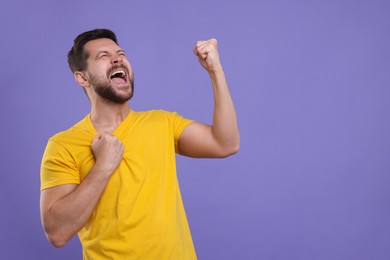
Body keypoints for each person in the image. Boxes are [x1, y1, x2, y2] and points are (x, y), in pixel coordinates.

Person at [40, 28, 239, 259]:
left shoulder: (162, 123)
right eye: (103, 56)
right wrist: (103, 167)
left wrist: (216, 71)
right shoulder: (63, 145)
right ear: (82, 77)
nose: (117, 58)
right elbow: (57, 233)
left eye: (120, 53)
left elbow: (225, 143)